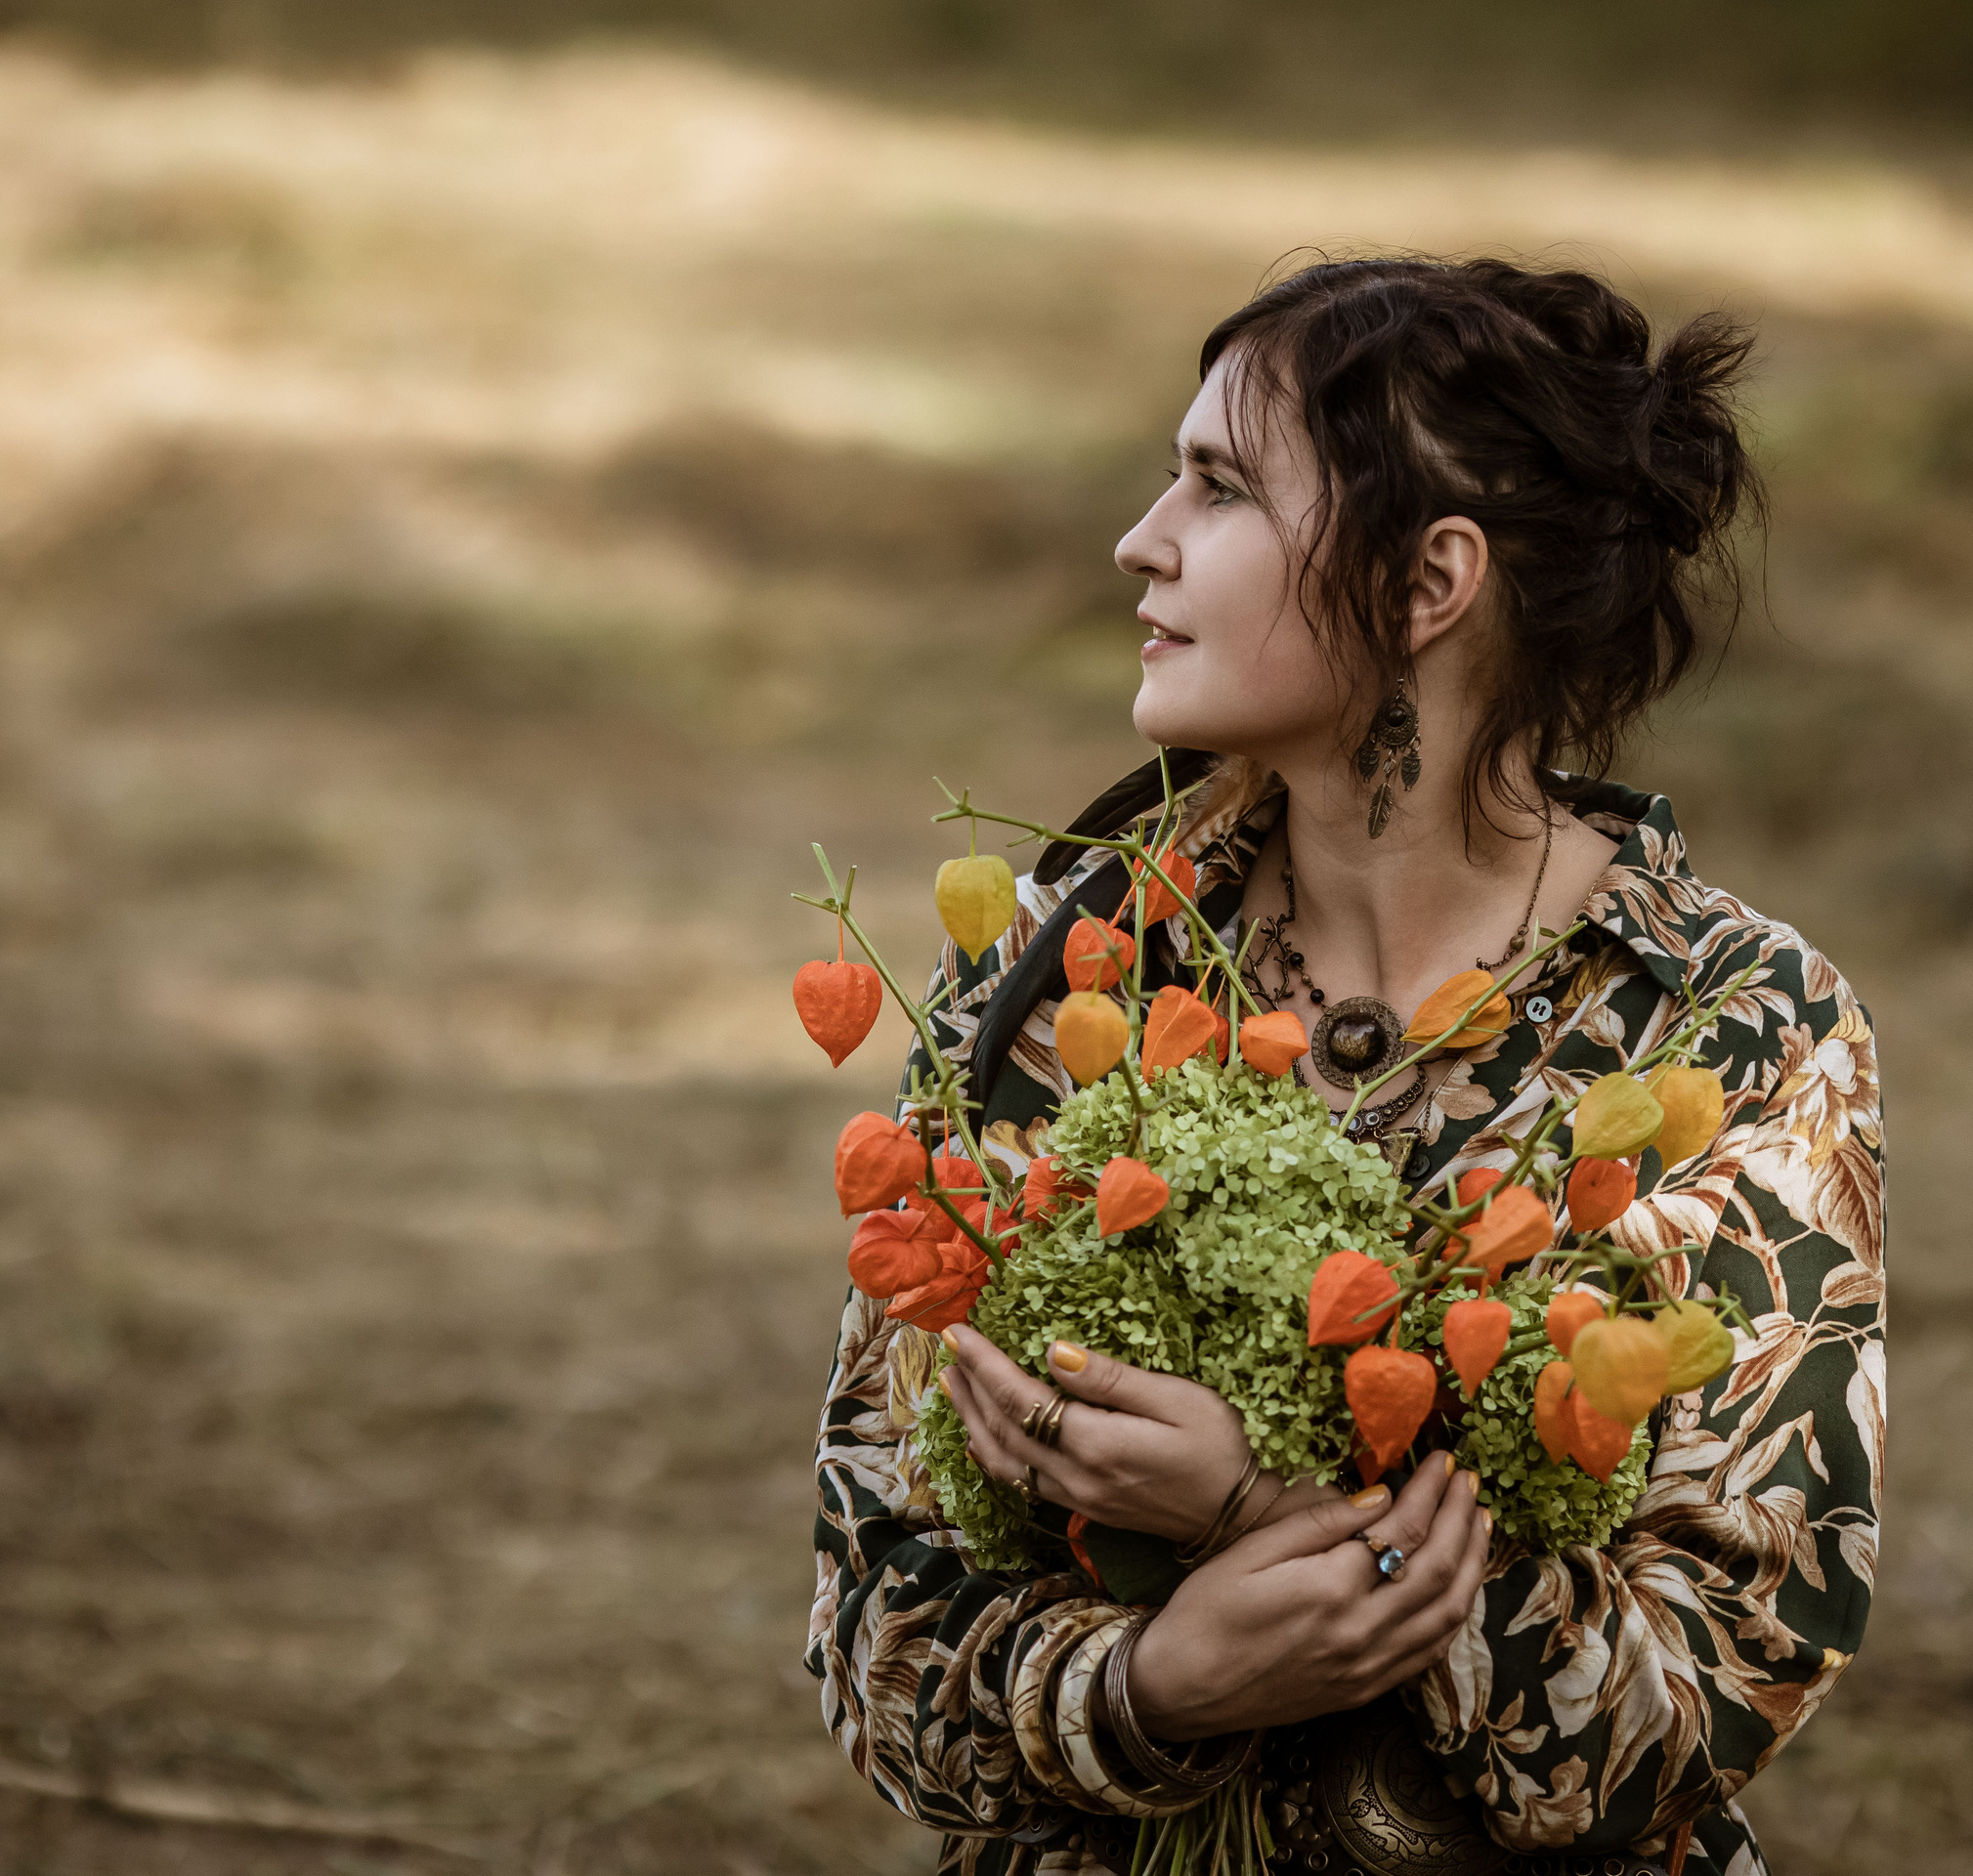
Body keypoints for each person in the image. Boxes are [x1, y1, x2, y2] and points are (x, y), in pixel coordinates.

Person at [807, 256, 1884, 1876]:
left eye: (1222, 486)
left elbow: (1698, 1697)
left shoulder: (1728, 1030)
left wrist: (1268, 1519)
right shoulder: (1072, 964)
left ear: (1423, 583)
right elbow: (877, 1619)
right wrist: (1154, 1690)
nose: (1141, 540)